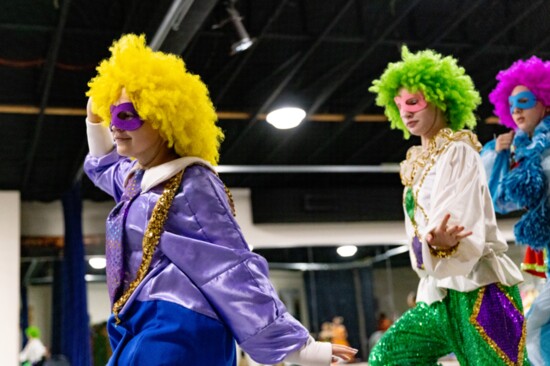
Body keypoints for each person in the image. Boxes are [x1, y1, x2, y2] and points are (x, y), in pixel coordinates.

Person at [83, 34, 356, 366]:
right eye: (111, 114)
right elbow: (104, 166)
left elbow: (231, 267)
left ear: (166, 117)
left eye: (126, 115)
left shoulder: (192, 185)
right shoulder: (137, 180)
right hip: (140, 324)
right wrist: (93, 121)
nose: (114, 125)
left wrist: (296, 347)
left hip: (178, 329)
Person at [368, 46, 528, 365]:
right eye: (399, 105)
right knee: (389, 356)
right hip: (438, 297)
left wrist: (446, 245)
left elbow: (459, 218)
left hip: (481, 292)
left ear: (441, 98)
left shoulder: (458, 151)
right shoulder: (416, 164)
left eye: (414, 102)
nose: (406, 112)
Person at [481, 56, 550, 366]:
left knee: (534, 331)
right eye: (511, 104)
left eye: (524, 101)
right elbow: (501, 202)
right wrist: (499, 156)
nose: (517, 110)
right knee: (535, 333)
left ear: (545, 102)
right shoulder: (521, 151)